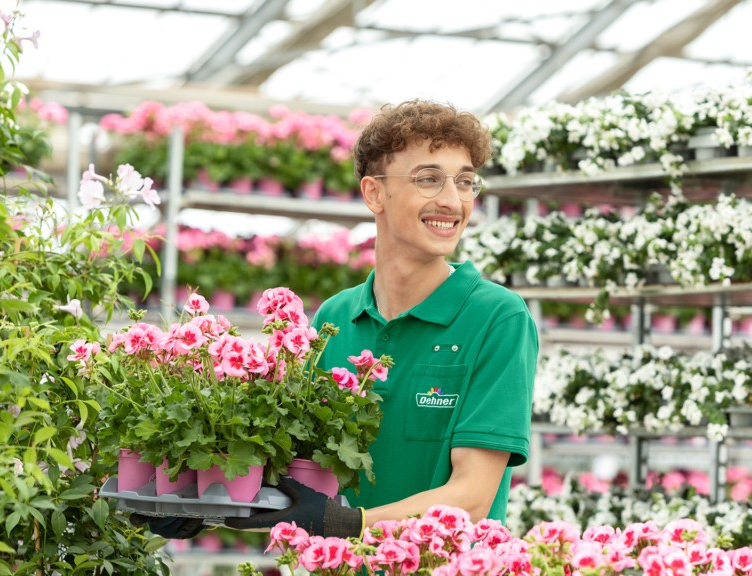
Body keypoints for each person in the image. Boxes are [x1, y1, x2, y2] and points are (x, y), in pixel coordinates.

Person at [224, 99, 539, 538]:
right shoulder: (336, 317)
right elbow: (297, 476)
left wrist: (353, 524)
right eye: (428, 179)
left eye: (465, 182)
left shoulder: (497, 317)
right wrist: (202, 501)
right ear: (374, 193)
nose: (452, 201)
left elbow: (473, 494)